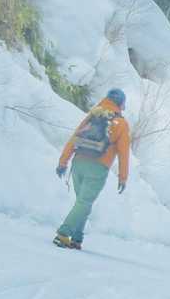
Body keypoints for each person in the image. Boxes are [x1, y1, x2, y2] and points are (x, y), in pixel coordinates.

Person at [54, 88, 130, 249]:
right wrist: (123, 177)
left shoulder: (93, 115)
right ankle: (63, 234)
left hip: (78, 163)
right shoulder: (121, 124)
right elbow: (123, 153)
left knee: (82, 203)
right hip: (97, 167)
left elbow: (74, 138)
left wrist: (63, 162)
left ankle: (76, 238)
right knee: (84, 202)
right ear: (121, 104)